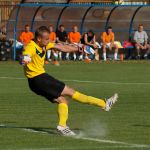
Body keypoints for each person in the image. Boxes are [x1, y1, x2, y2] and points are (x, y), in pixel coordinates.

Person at [21, 26, 118, 136]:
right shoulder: (31, 46)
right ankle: (104, 104)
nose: (49, 41)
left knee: (63, 101)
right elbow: (26, 55)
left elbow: (62, 47)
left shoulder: (44, 44)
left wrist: (79, 48)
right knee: (71, 92)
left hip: (35, 83)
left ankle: (62, 126)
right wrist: (25, 58)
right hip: (40, 79)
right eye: (47, 39)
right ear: (39, 39)